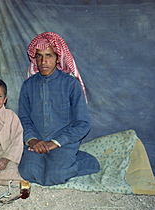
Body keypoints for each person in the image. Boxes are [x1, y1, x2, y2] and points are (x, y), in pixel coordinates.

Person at [18, 32, 100, 186]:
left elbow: (83, 123)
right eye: (39, 56)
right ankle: (57, 160)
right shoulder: (28, 85)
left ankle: (81, 160)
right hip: (37, 141)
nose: (43, 61)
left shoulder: (71, 84)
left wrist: (56, 142)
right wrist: (33, 140)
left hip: (63, 142)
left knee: (55, 176)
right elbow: (24, 119)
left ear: (57, 58)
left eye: (49, 55)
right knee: (28, 173)